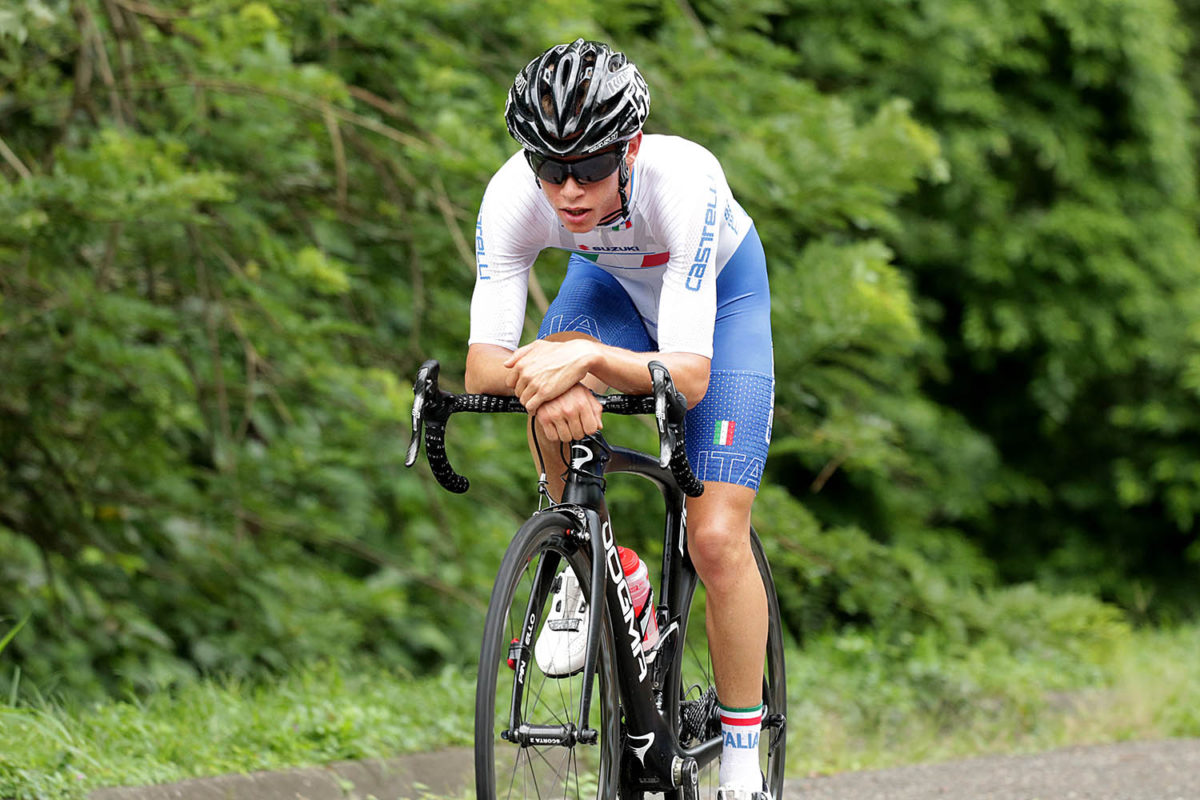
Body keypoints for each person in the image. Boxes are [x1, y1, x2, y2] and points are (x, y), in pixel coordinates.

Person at [464, 38, 775, 800]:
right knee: (545, 375)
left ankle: (740, 766)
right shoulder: (513, 195)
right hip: (607, 288)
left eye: (592, 169)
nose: (568, 191)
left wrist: (587, 364)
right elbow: (482, 366)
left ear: (629, 148)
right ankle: (592, 559)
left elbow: (692, 376)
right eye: (550, 168)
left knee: (714, 537)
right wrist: (556, 371)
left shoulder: (685, 180)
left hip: (719, 305)